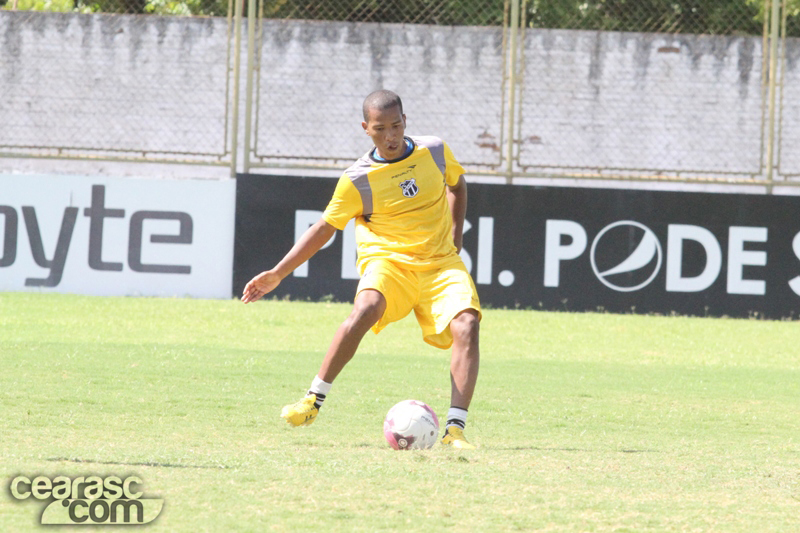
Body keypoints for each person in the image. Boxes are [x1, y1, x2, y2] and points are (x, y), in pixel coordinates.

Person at [241, 90, 481, 449]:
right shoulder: (357, 179)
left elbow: (457, 186)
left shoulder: (433, 150)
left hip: (440, 263)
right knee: (366, 308)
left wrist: (455, 232)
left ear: (405, 121)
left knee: (468, 323)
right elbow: (323, 229)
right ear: (366, 128)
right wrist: (278, 273)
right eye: (381, 128)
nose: (391, 136)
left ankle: (455, 430)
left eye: (397, 125)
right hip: (389, 261)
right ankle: (312, 400)